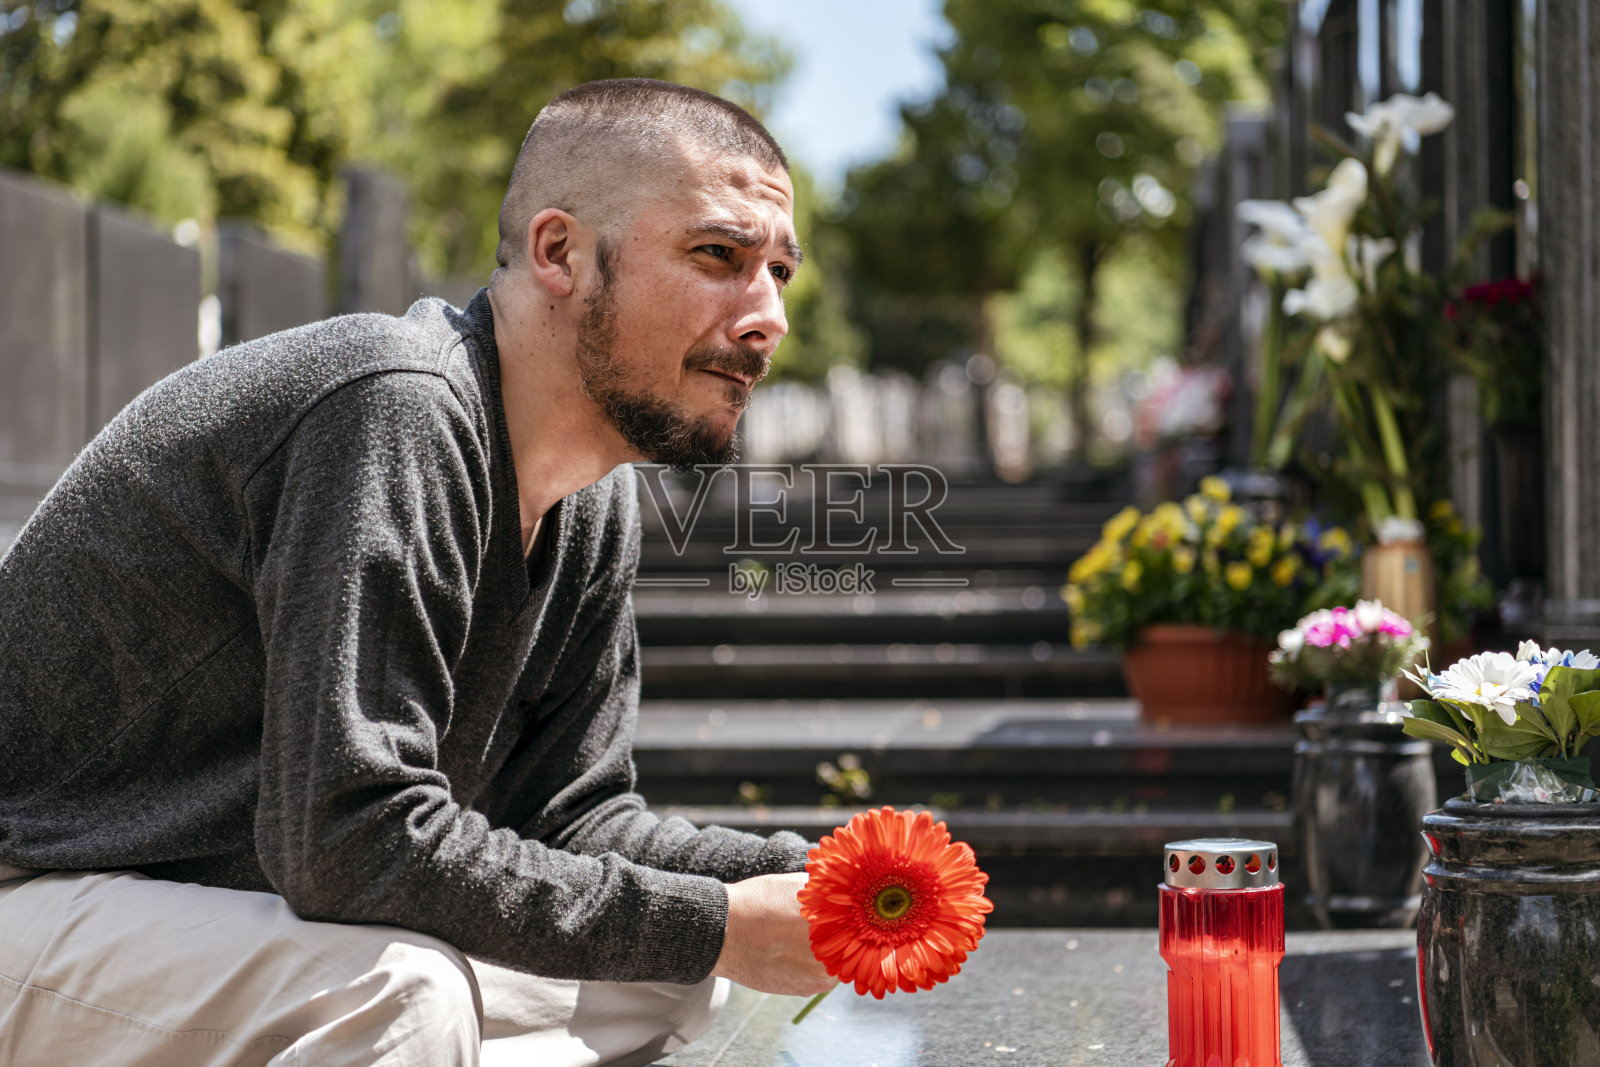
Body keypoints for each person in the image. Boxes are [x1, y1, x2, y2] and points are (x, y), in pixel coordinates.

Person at [0, 78, 835, 1066]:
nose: (767, 314)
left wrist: (812, 882)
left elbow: (571, 812)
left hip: (233, 918)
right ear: (558, 251)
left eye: (777, 272)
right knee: (401, 997)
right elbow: (350, 839)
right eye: (718, 256)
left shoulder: (595, 495)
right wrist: (718, 920)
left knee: (662, 971)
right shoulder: (391, 404)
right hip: (40, 888)